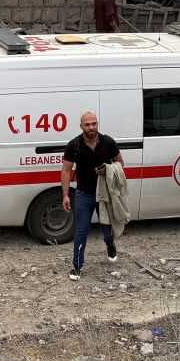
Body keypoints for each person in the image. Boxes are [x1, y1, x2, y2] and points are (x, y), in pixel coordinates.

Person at [60, 110, 123, 281]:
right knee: (81, 231)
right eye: (87, 125)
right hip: (84, 194)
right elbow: (66, 171)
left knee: (106, 228)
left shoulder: (108, 142)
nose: (91, 127)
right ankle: (77, 266)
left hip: (104, 194)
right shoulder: (74, 145)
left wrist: (109, 169)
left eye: (94, 123)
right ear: (81, 126)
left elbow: (119, 162)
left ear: (97, 124)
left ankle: (110, 245)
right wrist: (65, 195)